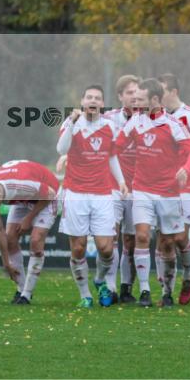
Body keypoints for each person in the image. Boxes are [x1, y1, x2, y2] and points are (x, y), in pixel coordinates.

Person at [114, 78, 190, 307]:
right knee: (142, 236)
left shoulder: (173, 124)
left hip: (168, 193)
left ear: (154, 99)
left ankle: (169, 291)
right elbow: (115, 147)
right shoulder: (135, 121)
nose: (135, 102)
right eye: (134, 98)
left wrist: (185, 169)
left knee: (171, 243)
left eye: (140, 99)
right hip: (142, 190)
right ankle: (145, 291)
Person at [57, 84, 127, 308]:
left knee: (106, 248)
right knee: (78, 248)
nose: (93, 100)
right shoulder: (71, 123)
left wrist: (121, 181)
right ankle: (85, 294)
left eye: (97, 98)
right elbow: (62, 149)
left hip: (102, 194)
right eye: (89, 97)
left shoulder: (110, 126)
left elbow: (112, 156)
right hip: (75, 193)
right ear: (82, 101)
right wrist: (72, 122)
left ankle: (99, 280)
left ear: (102, 104)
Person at [157, 73, 190, 305]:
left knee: (179, 238)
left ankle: (188, 275)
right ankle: (166, 292)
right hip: (160, 186)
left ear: (174, 92)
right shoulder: (155, 117)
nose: (157, 97)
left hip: (185, 186)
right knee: (164, 240)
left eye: (162, 92)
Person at [0, 159, 60, 304]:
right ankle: (21, 290)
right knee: (10, 239)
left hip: (47, 194)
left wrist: (29, 218)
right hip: (22, 198)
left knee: (36, 240)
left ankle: (26, 294)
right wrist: (6, 263)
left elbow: (50, 194)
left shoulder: (20, 185)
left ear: (0, 197)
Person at [102, 74, 141, 303]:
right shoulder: (108, 119)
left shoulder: (149, 119)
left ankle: (127, 288)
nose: (134, 97)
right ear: (120, 96)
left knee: (132, 242)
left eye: (137, 92)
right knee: (111, 237)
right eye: (129, 93)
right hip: (113, 187)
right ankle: (110, 287)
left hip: (139, 189)